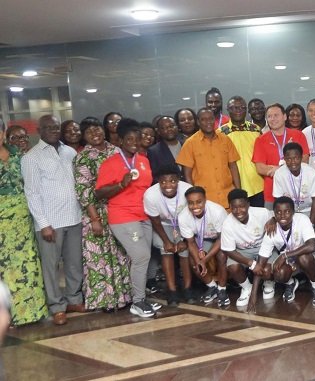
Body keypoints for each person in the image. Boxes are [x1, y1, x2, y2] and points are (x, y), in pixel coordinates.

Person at [95, 118, 163, 318]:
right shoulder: (111, 163)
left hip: (144, 215)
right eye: (130, 139)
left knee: (145, 256)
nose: (134, 142)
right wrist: (120, 185)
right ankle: (138, 302)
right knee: (141, 256)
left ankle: (141, 297)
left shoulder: (143, 160)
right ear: (121, 141)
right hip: (123, 216)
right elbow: (99, 193)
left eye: (138, 138)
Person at [21, 115, 84, 326]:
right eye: (48, 128)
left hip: (74, 217)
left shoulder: (69, 151)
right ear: (39, 130)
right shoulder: (31, 157)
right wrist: (43, 223)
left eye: (56, 127)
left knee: (74, 263)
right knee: (51, 267)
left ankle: (74, 300)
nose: (53, 130)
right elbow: (32, 193)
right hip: (50, 223)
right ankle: (57, 306)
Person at [73, 117, 132, 312]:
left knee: (121, 254)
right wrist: (95, 219)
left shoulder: (116, 151)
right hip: (96, 213)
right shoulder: (82, 157)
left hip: (118, 208)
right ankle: (105, 301)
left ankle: (124, 297)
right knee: (99, 258)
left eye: (97, 129)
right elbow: (84, 191)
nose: (95, 133)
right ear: (83, 136)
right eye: (89, 132)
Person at [0, 119, 48, 326]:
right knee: (5, 268)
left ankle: (32, 313)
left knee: (28, 263)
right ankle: (7, 315)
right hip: (2, 221)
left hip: (24, 217)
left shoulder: (19, 154)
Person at [257, 196, 315, 306]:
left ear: (293, 212)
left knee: (303, 257)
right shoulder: (272, 228)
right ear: (274, 214)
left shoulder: (302, 219)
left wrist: (284, 256)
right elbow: (261, 261)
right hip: (291, 261)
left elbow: (311, 246)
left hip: (309, 257)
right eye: (278, 212)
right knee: (277, 272)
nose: (283, 215)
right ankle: (291, 283)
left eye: (287, 212)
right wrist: (253, 295)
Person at [143, 165, 193, 306]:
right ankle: (172, 291)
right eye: (163, 181)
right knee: (166, 251)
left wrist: (183, 240)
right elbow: (155, 220)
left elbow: (191, 215)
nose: (168, 185)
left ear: (178, 180)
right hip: (163, 225)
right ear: (158, 181)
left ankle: (188, 288)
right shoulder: (150, 195)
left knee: (185, 251)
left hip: (183, 223)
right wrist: (167, 241)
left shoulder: (187, 189)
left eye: (172, 180)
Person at [176, 107, 241, 209]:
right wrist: (194, 197)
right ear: (198, 122)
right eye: (203, 119)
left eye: (210, 118)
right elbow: (187, 174)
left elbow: (233, 166)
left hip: (228, 197)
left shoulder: (225, 139)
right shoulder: (190, 143)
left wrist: (238, 192)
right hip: (206, 200)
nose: (208, 122)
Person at [220, 189, 274, 308]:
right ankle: (246, 288)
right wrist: (252, 263)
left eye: (242, 206)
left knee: (267, 270)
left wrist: (273, 220)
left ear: (248, 205)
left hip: (263, 248)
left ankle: (268, 282)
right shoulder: (228, 223)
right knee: (232, 267)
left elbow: (275, 216)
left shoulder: (262, 212)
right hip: (243, 252)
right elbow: (229, 250)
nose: (238, 211)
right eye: (234, 207)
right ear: (230, 208)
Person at [178, 187, 229, 307]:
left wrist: (204, 260)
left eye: (199, 202)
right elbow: (190, 243)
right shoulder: (183, 216)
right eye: (191, 203)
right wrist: (199, 261)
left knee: (222, 255)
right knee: (194, 261)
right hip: (202, 240)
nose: (195, 206)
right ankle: (212, 287)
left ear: (205, 200)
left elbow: (222, 239)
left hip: (221, 239)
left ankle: (222, 289)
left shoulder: (217, 211)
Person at [253, 103, 310, 209]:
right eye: (269, 116)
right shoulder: (261, 140)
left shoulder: (298, 135)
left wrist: (279, 170)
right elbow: (260, 168)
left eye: (276, 115)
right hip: (272, 193)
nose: (272, 119)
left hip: (298, 192)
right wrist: (289, 169)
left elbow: (304, 161)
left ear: (284, 117)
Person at [219, 96, 264, 207]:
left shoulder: (256, 129)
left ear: (246, 110)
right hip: (233, 186)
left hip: (258, 185)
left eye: (242, 107)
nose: (238, 110)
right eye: (234, 107)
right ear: (228, 109)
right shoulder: (220, 133)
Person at [272, 142, 315, 226]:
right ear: (284, 159)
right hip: (290, 212)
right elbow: (278, 200)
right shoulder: (279, 174)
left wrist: (311, 225)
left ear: (301, 157)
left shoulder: (311, 172)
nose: (293, 162)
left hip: (311, 210)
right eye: (288, 159)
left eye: (296, 158)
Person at [148, 116, 186, 181]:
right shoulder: (153, 151)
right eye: (164, 128)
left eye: (171, 126)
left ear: (177, 127)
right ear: (159, 131)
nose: (169, 129)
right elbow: (155, 176)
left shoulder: (187, 145)